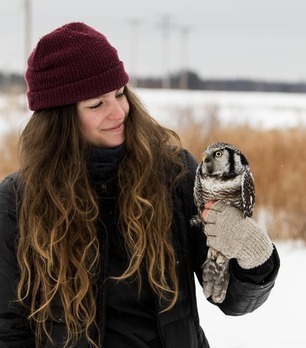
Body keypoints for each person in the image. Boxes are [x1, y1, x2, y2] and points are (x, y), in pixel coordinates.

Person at [0, 22, 280, 348]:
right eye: (96, 104)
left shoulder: (173, 175)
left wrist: (253, 258)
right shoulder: (18, 201)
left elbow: (229, 298)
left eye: (120, 94)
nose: (118, 111)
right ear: (58, 118)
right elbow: (9, 331)